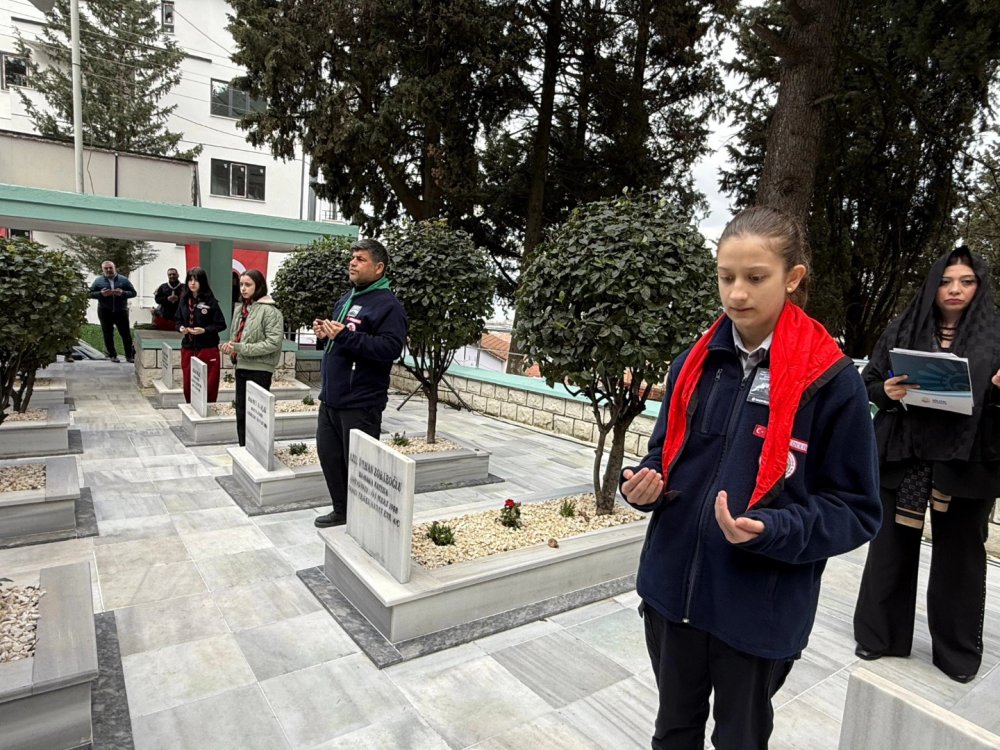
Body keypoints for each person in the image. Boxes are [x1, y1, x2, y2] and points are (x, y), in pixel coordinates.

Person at [620, 206, 881, 750]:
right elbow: (663, 456)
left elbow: (857, 509)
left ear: (793, 277)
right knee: (672, 733)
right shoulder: (693, 363)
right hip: (671, 594)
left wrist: (775, 529)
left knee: (741, 739)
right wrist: (644, 484)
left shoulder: (830, 382)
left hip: (758, 606)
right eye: (726, 277)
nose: (737, 293)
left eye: (756, 277)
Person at [853, 247, 1000, 684]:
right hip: (905, 452)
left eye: (966, 281)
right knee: (890, 547)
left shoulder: (996, 334)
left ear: (979, 286)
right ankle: (880, 636)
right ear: (933, 285)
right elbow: (870, 381)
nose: (955, 289)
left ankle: (956, 652)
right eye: (946, 281)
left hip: (968, 458)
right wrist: (887, 392)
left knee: (961, 557)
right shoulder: (904, 326)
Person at [313, 238, 407, 528]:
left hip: (360, 402)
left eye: (361, 259)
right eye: (352, 258)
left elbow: (390, 348)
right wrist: (325, 334)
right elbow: (342, 340)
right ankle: (341, 511)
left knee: (359, 466)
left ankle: (364, 521)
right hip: (331, 398)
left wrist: (344, 335)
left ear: (379, 268)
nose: (352, 263)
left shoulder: (388, 306)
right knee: (330, 458)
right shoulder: (346, 299)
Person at [221, 269, 285, 446]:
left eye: (248, 284)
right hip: (241, 366)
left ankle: (259, 451)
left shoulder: (271, 311)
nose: (243, 288)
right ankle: (244, 448)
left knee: (257, 415)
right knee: (241, 413)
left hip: (260, 370)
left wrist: (240, 347)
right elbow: (236, 336)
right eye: (241, 284)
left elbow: (273, 343)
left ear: (259, 286)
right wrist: (230, 347)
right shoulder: (240, 309)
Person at [175, 267, 226, 404]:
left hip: (207, 347)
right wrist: (181, 328)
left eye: (196, 280)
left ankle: (208, 406)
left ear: (202, 282)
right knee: (188, 381)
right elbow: (178, 321)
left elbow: (221, 324)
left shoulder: (211, 302)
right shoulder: (184, 301)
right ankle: (190, 406)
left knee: (210, 382)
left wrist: (204, 330)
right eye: (190, 280)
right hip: (188, 347)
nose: (192, 283)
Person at [88, 260, 137, 362]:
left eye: (111, 268)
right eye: (106, 268)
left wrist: (123, 293)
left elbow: (133, 293)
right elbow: (89, 293)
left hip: (121, 311)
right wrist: (101, 294)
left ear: (115, 268)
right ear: (102, 269)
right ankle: (112, 355)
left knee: (126, 334)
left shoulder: (124, 280)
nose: (109, 270)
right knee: (108, 334)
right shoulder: (98, 281)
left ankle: (129, 356)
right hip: (104, 311)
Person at [153, 267, 183, 331]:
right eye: (170, 275)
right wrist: (167, 299)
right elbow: (157, 299)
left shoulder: (184, 287)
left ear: (178, 275)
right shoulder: (162, 287)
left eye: (174, 274)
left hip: (180, 318)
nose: (172, 276)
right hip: (165, 317)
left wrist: (179, 299)